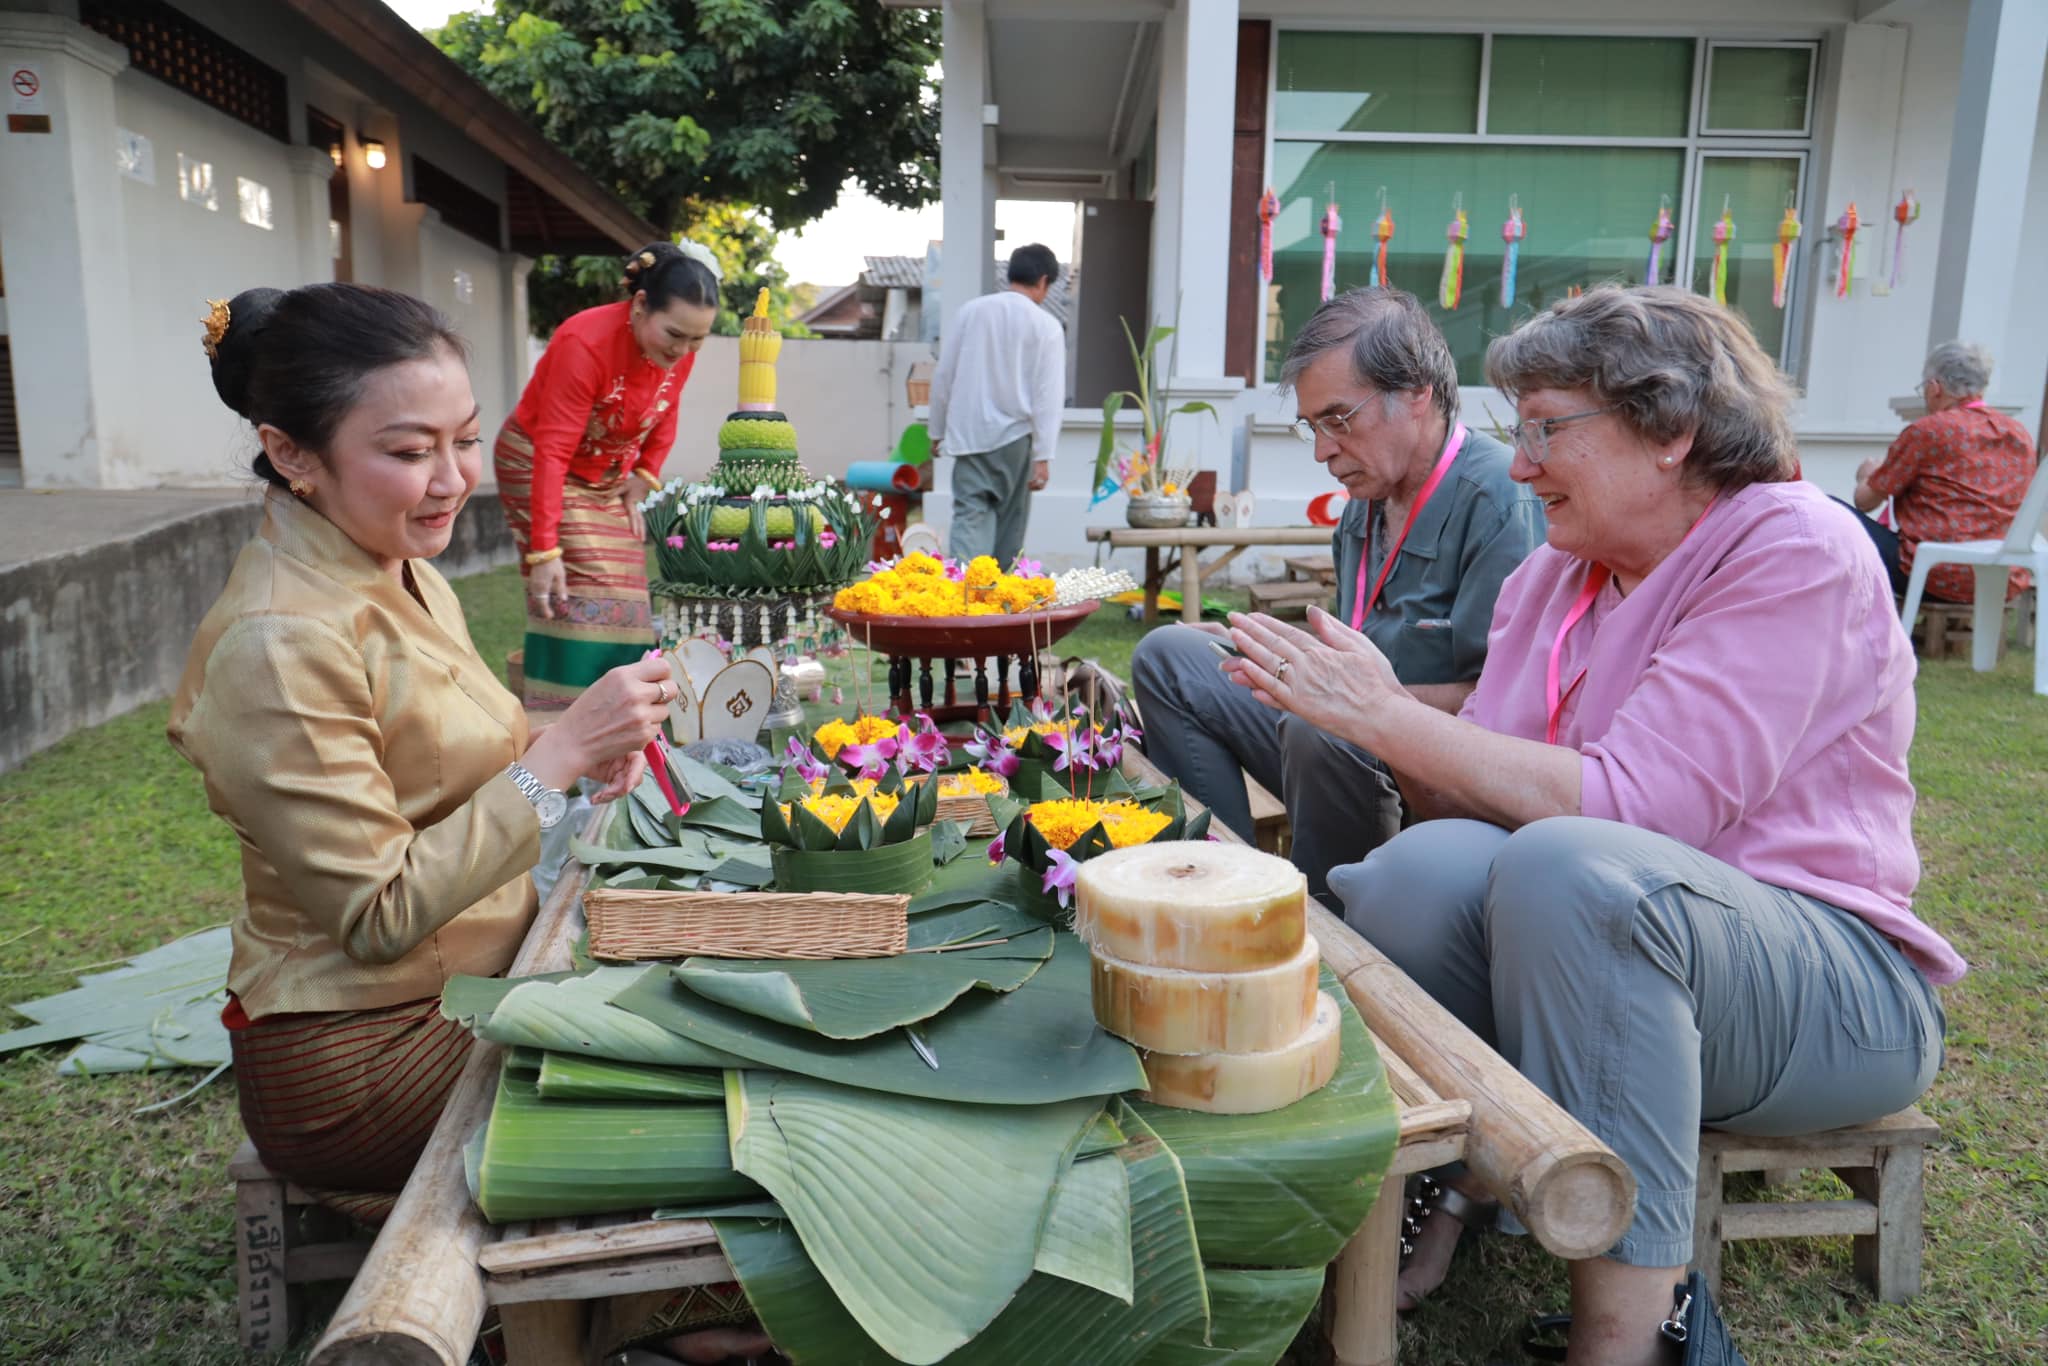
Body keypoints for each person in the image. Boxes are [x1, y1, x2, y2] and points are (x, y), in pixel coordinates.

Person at [1223, 286, 1960, 1365]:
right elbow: (1470, 805)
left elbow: (1640, 810)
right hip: (1619, 951)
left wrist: (1385, 716)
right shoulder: (1553, 578)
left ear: (1670, 429)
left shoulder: (1794, 545)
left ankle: (1632, 1338)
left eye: (1544, 430)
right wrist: (1374, 719)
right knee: (1418, 870)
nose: (1519, 468)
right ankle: (1453, 1179)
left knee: (1575, 868)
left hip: (1832, 991)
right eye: (1516, 433)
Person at [1131, 288, 1544, 901]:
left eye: (1339, 419)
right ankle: (1217, 880)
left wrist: (1345, 699)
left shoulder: (1501, 501)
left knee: (1319, 723)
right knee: (1170, 655)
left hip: (1435, 775)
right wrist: (1272, 652)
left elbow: (1514, 709)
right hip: (1345, 746)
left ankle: (1326, 917)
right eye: (1312, 426)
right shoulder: (1364, 505)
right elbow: (1357, 643)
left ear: (1417, 393)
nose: (1323, 449)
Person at [497, 240, 720, 708]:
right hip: (536, 461)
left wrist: (646, 473)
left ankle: (621, 717)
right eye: (675, 335)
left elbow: (667, 408)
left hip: (603, 477)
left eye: (697, 340)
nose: (683, 350)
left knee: (628, 593)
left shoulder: (678, 349)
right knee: (574, 591)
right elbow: (554, 448)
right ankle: (559, 722)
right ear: (640, 305)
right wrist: (544, 551)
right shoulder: (584, 344)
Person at [1845, 339, 2037, 601]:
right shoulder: (2019, 434)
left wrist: (1866, 475)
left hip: (1932, 575)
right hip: (1999, 578)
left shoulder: (1929, 431)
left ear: (1935, 388)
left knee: (1830, 511)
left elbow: (1865, 502)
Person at [927, 242, 1068, 567]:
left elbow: (944, 376)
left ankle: (965, 589)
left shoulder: (971, 312)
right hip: (1015, 440)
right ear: (1043, 281)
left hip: (969, 436)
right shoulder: (1046, 326)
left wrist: (936, 430)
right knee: (1010, 526)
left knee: (969, 517)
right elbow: (1048, 397)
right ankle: (1003, 592)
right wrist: (1044, 456)